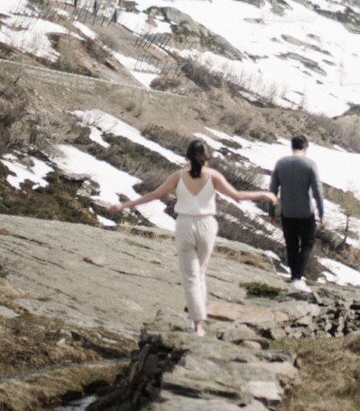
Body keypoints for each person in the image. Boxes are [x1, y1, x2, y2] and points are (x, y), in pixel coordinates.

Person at [109, 139, 277, 336]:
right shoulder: (213, 176)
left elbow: (154, 194)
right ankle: (199, 318)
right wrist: (264, 195)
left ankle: (197, 323)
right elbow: (238, 196)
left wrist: (124, 205)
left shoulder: (178, 176)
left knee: (191, 276)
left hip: (184, 225)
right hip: (207, 225)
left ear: (187, 156)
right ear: (207, 158)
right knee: (201, 272)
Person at [270, 136, 324, 292]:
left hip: (287, 212)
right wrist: (321, 212)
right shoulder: (310, 164)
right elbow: (317, 192)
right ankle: (298, 278)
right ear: (305, 148)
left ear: (292, 147)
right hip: (306, 212)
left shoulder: (280, 164)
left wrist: (271, 211)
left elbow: (272, 190)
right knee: (307, 243)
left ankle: (295, 277)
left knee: (291, 245)